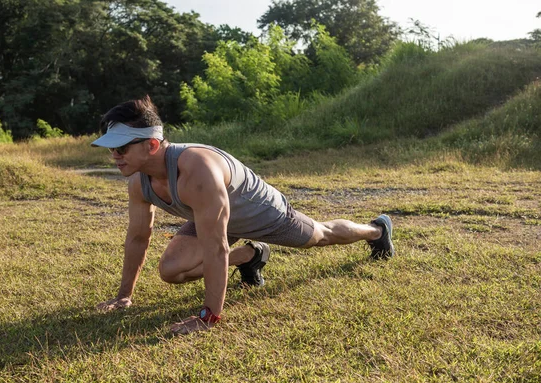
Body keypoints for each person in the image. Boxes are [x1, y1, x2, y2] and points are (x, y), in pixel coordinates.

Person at [93, 96, 395, 335]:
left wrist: (208, 316)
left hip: (261, 213)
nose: (114, 157)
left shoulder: (197, 171)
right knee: (171, 271)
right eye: (111, 150)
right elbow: (137, 237)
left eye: (120, 149)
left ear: (152, 144)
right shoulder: (138, 181)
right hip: (210, 218)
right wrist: (124, 296)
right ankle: (249, 256)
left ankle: (376, 231)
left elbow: (215, 247)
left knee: (321, 235)